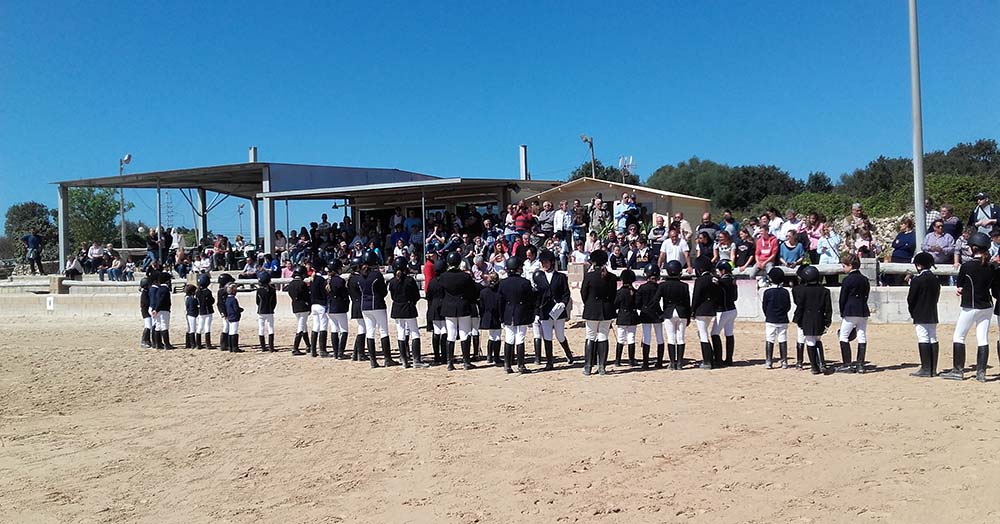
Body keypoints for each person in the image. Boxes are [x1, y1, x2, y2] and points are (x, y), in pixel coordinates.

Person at [941, 232, 994, 382]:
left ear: (974, 248)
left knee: (959, 336)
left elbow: (960, 286)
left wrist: (960, 290)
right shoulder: (991, 266)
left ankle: (958, 371)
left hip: (970, 306)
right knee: (983, 338)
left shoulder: (967, 266)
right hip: (987, 305)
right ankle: (981, 372)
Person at [533, 250, 574, 370]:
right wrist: (536, 313)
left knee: (560, 335)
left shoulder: (560, 276)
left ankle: (568, 353)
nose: (544, 265)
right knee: (547, 336)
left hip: (558, 310)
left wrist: (563, 303)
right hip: (544, 310)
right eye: (542, 262)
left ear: (551, 262)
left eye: (546, 262)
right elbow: (537, 296)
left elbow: (566, 293)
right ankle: (549, 362)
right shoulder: (538, 277)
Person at [581, 249, 617, 375]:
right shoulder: (612, 277)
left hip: (592, 309)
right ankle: (602, 366)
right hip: (606, 309)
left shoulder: (589, 276)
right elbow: (613, 295)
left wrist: (589, 304)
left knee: (590, 336)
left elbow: (583, 294)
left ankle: (588, 366)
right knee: (603, 336)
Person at [388, 256, 429, 368]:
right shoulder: (409, 280)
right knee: (415, 332)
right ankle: (416, 360)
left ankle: (404, 360)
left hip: (397, 308)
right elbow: (416, 295)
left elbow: (392, 296)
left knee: (401, 332)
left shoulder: (392, 282)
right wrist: (412, 302)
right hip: (408, 306)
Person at [792, 265, 833, 375]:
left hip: (807, 319)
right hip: (819, 318)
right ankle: (822, 363)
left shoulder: (802, 291)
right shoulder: (825, 291)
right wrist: (827, 321)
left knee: (810, 341)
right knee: (818, 340)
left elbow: (800, 306)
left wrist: (797, 318)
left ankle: (814, 366)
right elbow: (828, 308)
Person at [498, 256, 535, 374]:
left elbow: (500, 301)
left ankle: (507, 365)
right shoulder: (525, 282)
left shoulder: (503, 283)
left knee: (509, 338)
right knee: (520, 338)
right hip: (521, 312)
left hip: (508, 312)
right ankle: (520, 365)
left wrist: (501, 316)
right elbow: (530, 300)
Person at [359, 252, 396, 368]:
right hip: (377, 304)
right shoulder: (377, 275)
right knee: (383, 331)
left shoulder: (361, 276)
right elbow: (384, 292)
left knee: (370, 332)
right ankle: (387, 358)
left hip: (364, 306)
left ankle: (373, 361)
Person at [907, 252, 941, 378]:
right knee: (933, 337)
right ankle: (933, 368)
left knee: (923, 337)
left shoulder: (917, 280)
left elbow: (911, 299)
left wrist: (912, 311)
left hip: (920, 312)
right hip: (932, 311)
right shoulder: (935, 279)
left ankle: (925, 368)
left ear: (919, 265)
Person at [838, 254, 871, 373]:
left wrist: (843, 311)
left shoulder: (847, 280)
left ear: (850, 266)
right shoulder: (865, 279)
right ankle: (860, 364)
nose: (843, 268)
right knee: (861, 335)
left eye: (844, 266)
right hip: (863, 310)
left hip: (850, 310)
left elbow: (843, 298)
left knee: (843, 336)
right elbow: (866, 295)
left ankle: (847, 364)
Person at [658, 260, 690, 370]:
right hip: (682, 312)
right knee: (680, 338)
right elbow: (687, 302)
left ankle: (672, 363)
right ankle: (680, 363)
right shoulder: (684, 285)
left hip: (669, 312)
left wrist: (660, 313)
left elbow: (656, 300)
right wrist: (688, 316)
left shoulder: (663, 285)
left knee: (671, 338)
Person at [691, 258, 720, 369]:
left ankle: (707, 361)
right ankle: (712, 358)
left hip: (701, 310)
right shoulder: (714, 279)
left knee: (703, 334)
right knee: (704, 333)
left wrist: (692, 310)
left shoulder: (700, 280)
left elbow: (696, 297)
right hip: (711, 309)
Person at [761, 267, 791, 369]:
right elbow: (788, 306)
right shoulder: (785, 292)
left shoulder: (767, 292)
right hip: (782, 319)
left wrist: (768, 315)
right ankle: (784, 361)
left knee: (770, 338)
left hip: (771, 318)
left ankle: (769, 361)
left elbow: (764, 306)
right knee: (782, 338)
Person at [636, 262, 664, 368]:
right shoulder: (659, 287)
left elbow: (638, 303)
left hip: (646, 314)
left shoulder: (642, 288)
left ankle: (646, 363)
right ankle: (660, 362)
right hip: (657, 313)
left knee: (647, 337)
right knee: (659, 337)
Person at [712, 261, 738, 366]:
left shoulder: (721, 281)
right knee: (729, 333)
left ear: (723, 271)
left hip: (722, 310)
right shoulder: (733, 281)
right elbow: (735, 297)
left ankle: (718, 359)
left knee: (714, 333)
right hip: (732, 309)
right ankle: (729, 359)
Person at [613, 269, 639, 367]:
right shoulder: (634, 292)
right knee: (631, 338)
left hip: (622, 316)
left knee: (620, 338)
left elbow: (615, 305)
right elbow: (637, 304)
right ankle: (631, 360)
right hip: (632, 316)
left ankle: (617, 360)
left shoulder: (619, 292)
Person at [479, 273, 504, 366]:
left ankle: (489, 356)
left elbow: (481, 306)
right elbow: (501, 306)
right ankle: (496, 357)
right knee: (497, 336)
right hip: (497, 316)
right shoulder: (500, 292)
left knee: (491, 336)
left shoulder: (483, 292)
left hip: (487, 315)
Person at [426, 258, 448, 365]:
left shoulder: (432, 282)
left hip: (434, 306)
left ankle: (436, 356)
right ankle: (444, 356)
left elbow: (428, 296)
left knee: (436, 331)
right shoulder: (446, 281)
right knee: (444, 330)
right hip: (444, 305)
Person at [348, 256, 370, 361]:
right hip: (360, 304)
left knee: (362, 328)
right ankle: (360, 353)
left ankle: (356, 352)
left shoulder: (351, 278)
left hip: (355, 304)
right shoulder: (358, 279)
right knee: (362, 328)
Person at [286, 267, 312, 356]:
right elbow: (306, 296)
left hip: (295, 306)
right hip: (303, 306)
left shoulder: (291, 284)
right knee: (301, 326)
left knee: (303, 326)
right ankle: (295, 348)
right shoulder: (302, 284)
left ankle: (308, 345)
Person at [309, 262, 331, 358]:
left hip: (313, 305)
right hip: (321, 305)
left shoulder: (312, 280)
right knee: (323, 327)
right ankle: (322, 350)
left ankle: (313, 350)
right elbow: (325, 293)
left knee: (315, 326)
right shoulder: (321, 280)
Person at [149, 272, 175, 350]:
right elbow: (161, 300)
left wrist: (155, 309)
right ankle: (167, 344)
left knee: (158, 326)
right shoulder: (165, 289)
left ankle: (157, 344)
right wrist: (156, 309)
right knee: (164, 326)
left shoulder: (159, 289)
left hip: (158, 309)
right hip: (163, 309)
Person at [256, 272, 277, 353]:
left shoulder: (259, 290)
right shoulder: (272, 290)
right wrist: (272, 308)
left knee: (261, 328)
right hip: (269, 310)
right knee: (270, 328)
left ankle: (263, 347)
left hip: (261, 311)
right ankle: (271, 347)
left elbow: (257, 302)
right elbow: (274, 302)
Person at [224, 283, 243, 353]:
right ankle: (235, 347)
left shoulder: (227, 299)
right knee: (234, 332)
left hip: (230, 316)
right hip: (234, 317)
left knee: (231, 332)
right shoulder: (234, 299)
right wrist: (240, 310)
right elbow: (236, 309)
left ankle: (230, 347)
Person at [139, 277, 152, 348]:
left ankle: (148, 340)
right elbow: (146, 303)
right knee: (148, 326)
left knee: (150, 326)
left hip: (147, 311)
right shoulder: (144, 293)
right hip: (146, 312)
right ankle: (144, 340)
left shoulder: (147, 292)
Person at [184, 284, 199, 349]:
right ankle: (192, 344)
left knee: (190, 328)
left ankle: (188, 343)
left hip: (189, 314)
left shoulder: (187, 298)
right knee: (192, 329)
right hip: (191, 314)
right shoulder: (192, 299)